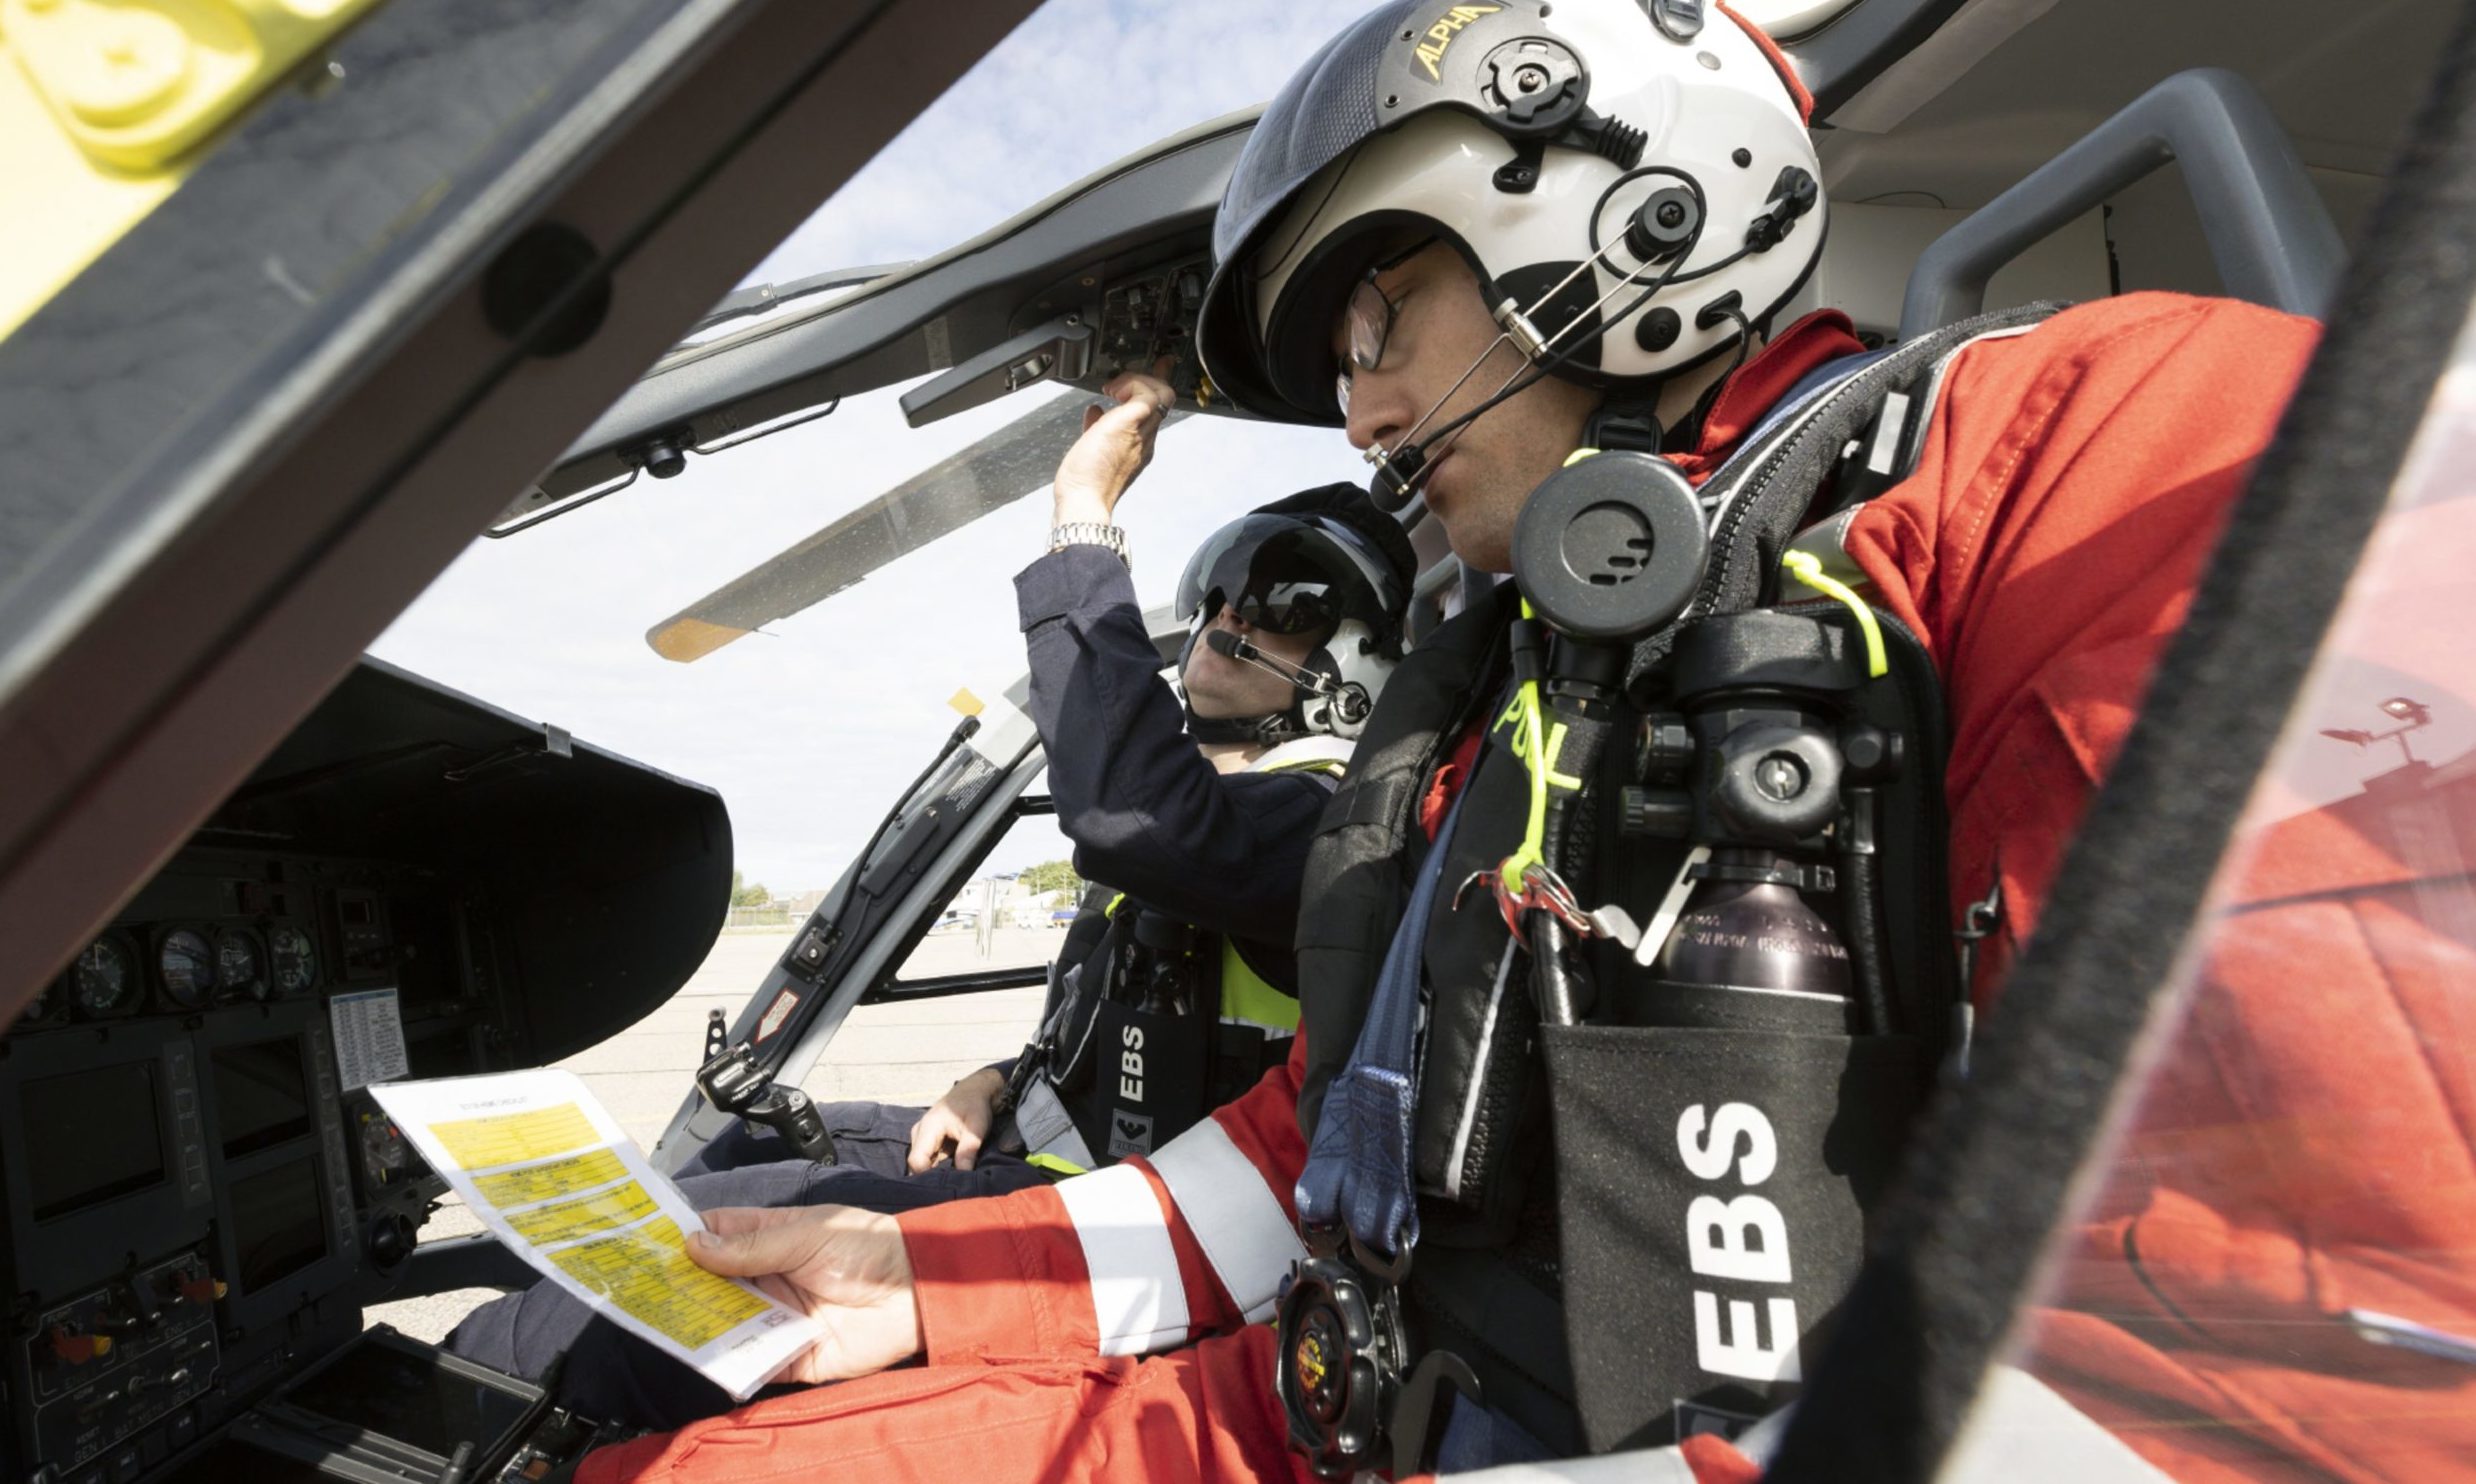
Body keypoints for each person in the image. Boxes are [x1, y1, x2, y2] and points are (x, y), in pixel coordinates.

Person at [572, 2, 2331, 1479]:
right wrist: (920, 1280)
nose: (1356, 409)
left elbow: (2263, 1315)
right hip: (1337, 1388)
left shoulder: (2094, 438)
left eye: (1376, 323)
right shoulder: (1516, 668)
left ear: (1618, 214)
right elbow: (1318, 1150)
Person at [444, 393, 1416, 1431]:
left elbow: (1138, 818)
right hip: (1044, 1142)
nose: (1229, 618)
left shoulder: (1331, 818)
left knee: (660, 1283)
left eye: (1282, 602)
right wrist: (995, 1077)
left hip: (1120, 1213)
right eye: (1224, 589)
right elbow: (1130, 1009)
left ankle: (489, 1407)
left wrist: (1081, 512)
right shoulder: (1238, 804)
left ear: (1351, 660)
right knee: (728, 1151)